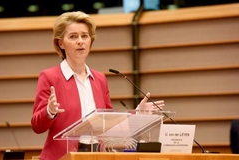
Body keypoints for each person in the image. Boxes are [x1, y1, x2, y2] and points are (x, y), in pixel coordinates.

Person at [31, 11, 165, 160]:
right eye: (73, 36)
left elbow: (109, 123)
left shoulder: (99, 79)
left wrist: (137, 113)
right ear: (60, 43)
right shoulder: (50, 77)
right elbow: (37, 126)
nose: (80, 41)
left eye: (84, 36)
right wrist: (49, 111)